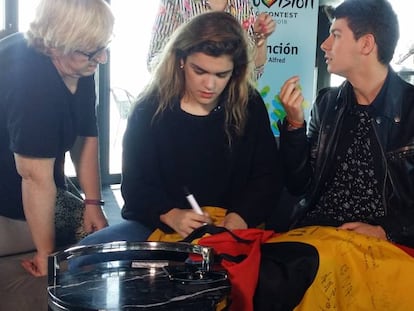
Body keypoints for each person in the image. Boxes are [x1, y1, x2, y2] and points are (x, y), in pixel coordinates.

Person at [78, 11, 282, 247]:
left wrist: (241, 216)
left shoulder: (249, 104)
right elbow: (135, 186)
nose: (209, 85)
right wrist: (169, 214)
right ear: (181, 60)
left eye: (221, 75)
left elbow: (267, 177)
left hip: (231, 229)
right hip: (159, 225)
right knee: (84, 257)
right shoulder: (150, 108)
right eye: (200, 71)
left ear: (235, 72)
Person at [278, 0, 414, 247]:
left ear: (366, 44)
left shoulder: (410, 109)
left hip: (384, 247)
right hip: (318, 235)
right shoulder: (327, 103)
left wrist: (386, 232)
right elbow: (299, 185)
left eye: (335, 35)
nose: (324, 44)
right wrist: (295, 125)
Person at [0, 0, 114, 277]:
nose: (102, 59)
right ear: (54, 46)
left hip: (35, 181)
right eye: (92, 52)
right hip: (12, 185)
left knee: (101, 237)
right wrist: (45, 253)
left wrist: (93, 203)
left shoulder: (79, 61)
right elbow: (34, 178)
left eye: (104, 46)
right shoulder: (31, 84)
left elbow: (86, 136)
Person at [147, 0, 276, 79]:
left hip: (227, 107)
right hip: (180, 103)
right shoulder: (176, 2)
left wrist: (260, 37)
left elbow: (253, 74)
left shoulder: (243, 4)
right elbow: (155, 63)